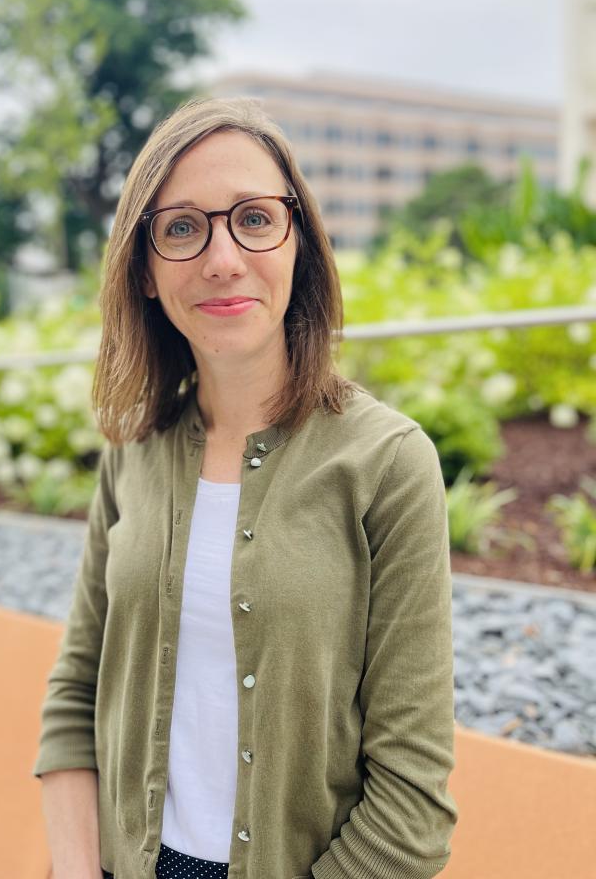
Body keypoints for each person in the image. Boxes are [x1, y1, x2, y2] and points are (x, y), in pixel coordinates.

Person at [32, 96, 459, 879]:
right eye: (182, 228)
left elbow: (412, 804)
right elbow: (74, 694)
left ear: (300, 244)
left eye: (255, 218)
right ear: (147, 273)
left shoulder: (388, 463)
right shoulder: (132, 451)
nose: (222, 258)